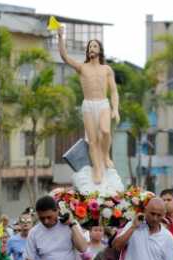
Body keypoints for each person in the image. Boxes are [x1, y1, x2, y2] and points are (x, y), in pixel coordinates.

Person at [57, 26, 120, 185]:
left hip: (103, 104)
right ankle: (97, 169)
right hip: (88, 106)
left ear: (100, 50)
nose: (92, 48)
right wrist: (60, 36)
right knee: (92, 141)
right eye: (90, 46)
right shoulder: (82, 67)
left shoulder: (106, 69)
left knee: (105, 131)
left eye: (94, 46)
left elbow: (113, 91)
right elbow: (65, 57)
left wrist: (115, 109)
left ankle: (105, 155)